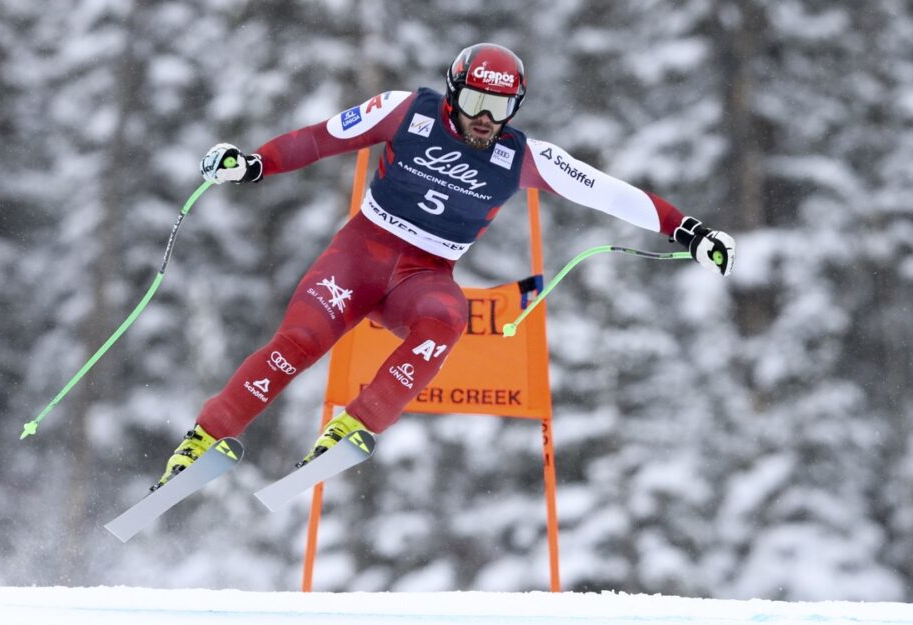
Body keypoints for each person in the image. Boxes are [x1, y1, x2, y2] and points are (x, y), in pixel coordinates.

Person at [152, 43, 735, 490]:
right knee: (298, 342)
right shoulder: (407, 111)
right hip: (359, 257)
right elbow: (320, 139)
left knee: (447, 316)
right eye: (478, 102)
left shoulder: (519, 155)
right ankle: (204, 440)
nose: (486, 118)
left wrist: (689, 230)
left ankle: (353, 428)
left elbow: (606, 192)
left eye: (501, 107)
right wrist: (254, 165)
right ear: (454, 92)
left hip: (423, 276)